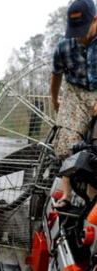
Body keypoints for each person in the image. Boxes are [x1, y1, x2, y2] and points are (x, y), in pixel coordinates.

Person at [51, 0, 97, 208]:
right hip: (75, 93)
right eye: (74, 31)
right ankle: (67, 194)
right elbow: (56, 75)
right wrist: (55, 100)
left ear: (95, 20)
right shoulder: (64, 45)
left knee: (94, 147)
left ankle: (91, 198)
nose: (78, 35)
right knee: (66, 142)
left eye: (83, 30)